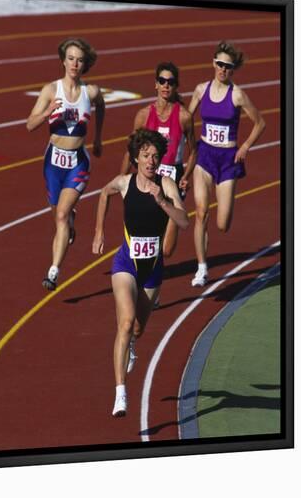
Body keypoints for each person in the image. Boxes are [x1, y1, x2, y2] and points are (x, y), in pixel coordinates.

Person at [92, 129, 189, 417]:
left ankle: (133, 344)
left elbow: (183, 221)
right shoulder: (124, 183)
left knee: (137, 328)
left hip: (153, 269)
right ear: (136, 157)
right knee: (124, 323)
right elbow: (103, 194)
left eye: (156, 156)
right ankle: (120, 392)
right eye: (146, 155)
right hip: (126, 263)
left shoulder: (167, 184)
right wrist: (98, 230)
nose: (151, 160)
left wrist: (162, 201)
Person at [27, 38, 105, 291]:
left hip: (77, 163)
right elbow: (30, 125)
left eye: (80, 59)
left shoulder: (90, 92)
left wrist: (98, 138)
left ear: (85, 64)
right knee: (58, 216)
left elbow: (101, 107)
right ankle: (70, 222)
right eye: (71, 58)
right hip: (53, 162)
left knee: (60, 215)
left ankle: (53, 271)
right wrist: (48, 111)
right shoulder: (51, 90)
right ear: (63, 60)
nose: (75, 63)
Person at [188, 41, 265, 287]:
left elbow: (260, 123)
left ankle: (204, 261)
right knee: (201, 212)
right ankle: (201, 268)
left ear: (233, 70)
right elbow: (186, 119)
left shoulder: (238, 94)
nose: (222, 69)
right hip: (205, 156)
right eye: (219, 64)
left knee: (222, 224)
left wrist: (244, 147)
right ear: (213, 63)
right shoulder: (201, 90)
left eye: (228, 66)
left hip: (228, 160)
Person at [120, 62, 196, 259]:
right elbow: (131, 150)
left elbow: (194, 151)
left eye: (170, 82)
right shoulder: (144, 115)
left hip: (173, 178)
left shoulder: (184, 117)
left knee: (167, 249)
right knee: (147, 225)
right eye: (162, 81)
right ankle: (147, 270)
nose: (166, 85)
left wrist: (186, 176)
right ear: (156, 84)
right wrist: (122, 178)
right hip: (148, 176)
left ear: (176, 85)